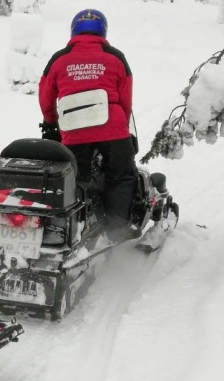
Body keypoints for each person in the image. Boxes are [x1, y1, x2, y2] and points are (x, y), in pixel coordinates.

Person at [37, 8, 138, 239]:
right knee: (121, 175)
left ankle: (69, 229)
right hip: (113, 131)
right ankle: (117, 230)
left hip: (73, 132)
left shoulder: (58, 59)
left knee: (76, 179)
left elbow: (45, 96)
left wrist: (52, 122)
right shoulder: (116, 57)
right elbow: (125, 100)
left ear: (73, 30)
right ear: (103, 30)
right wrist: (122, 126)